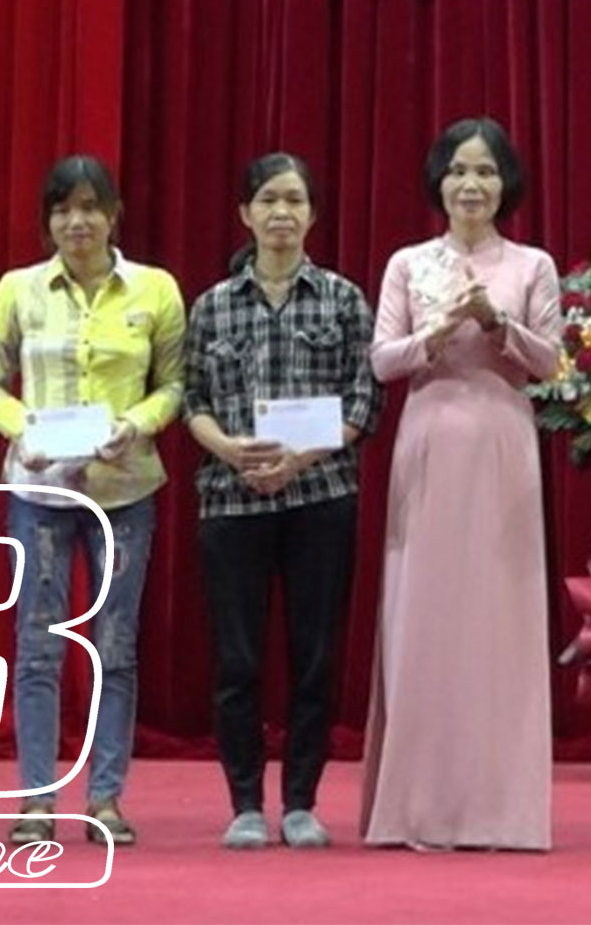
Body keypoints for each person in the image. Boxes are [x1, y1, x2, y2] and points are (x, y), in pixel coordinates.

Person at [362, 118, 563, 852]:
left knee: (500, 622)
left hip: (503, 444)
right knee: (422, 618)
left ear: (506, 184)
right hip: (429, 442)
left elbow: (552, 363)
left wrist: (498, 323)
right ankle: (417, 808)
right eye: (457, 171)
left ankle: (500, 811)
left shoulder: (532, 265)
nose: (471, 185)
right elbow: (382, 360)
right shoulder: (408, 263)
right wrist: (437, 333)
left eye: (484, 171)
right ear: (438, 182)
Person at [0, 156, 187, 849]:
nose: (79, 222)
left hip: (125, 489)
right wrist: (22, 428)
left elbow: (174, 385)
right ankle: (37, 799)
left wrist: (139, 424)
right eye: (64, 210)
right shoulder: (19, 289)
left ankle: (105, 797)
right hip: (39, 488)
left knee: (114, 646)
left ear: (114, 214)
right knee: (37, 646)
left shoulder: (154, 289)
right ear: (48, 221)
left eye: (92, 208)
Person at [182, 153, 379, 849]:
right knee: (237, 660)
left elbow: (364, 399)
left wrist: (301, 458)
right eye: (268, 200)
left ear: (312, 214)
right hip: (231, 500)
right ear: (245, 212)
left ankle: (300, 802)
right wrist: (230, 450)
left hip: (320, 496)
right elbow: (192, 398)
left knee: (314, 657)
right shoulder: (212, 305)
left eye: (294, 200)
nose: (281, 213)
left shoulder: (343, 299)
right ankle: (244, 802)